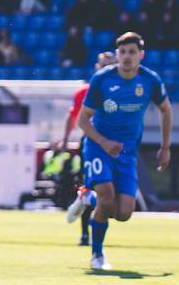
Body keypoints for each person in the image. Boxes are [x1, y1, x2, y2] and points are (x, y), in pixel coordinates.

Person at [73, 33, 171, 271]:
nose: (127, 57)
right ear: (117, 55)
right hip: (98, 145)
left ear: (141, 55)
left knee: (124, 212)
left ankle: (88, 197)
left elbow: (165, 110)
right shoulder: (102, 79)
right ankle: (97, 255)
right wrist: (104, 143)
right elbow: (83, 121)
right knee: (107, 197)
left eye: (132, 52)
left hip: (127, 152)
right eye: (123, 52)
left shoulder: (150, 80)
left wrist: (165, 147)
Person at [61, 52, 116, 245]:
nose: (107, 68)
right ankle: (86, 234)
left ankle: (94, 223)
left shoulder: (121, 90)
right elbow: (73, 116)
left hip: (115, 142)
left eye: (111, 64)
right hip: (92, 142)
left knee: (113, 193)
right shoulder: (84, 92)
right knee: (92, 185)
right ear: (97, 67)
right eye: (104, 64)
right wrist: (66, 140)